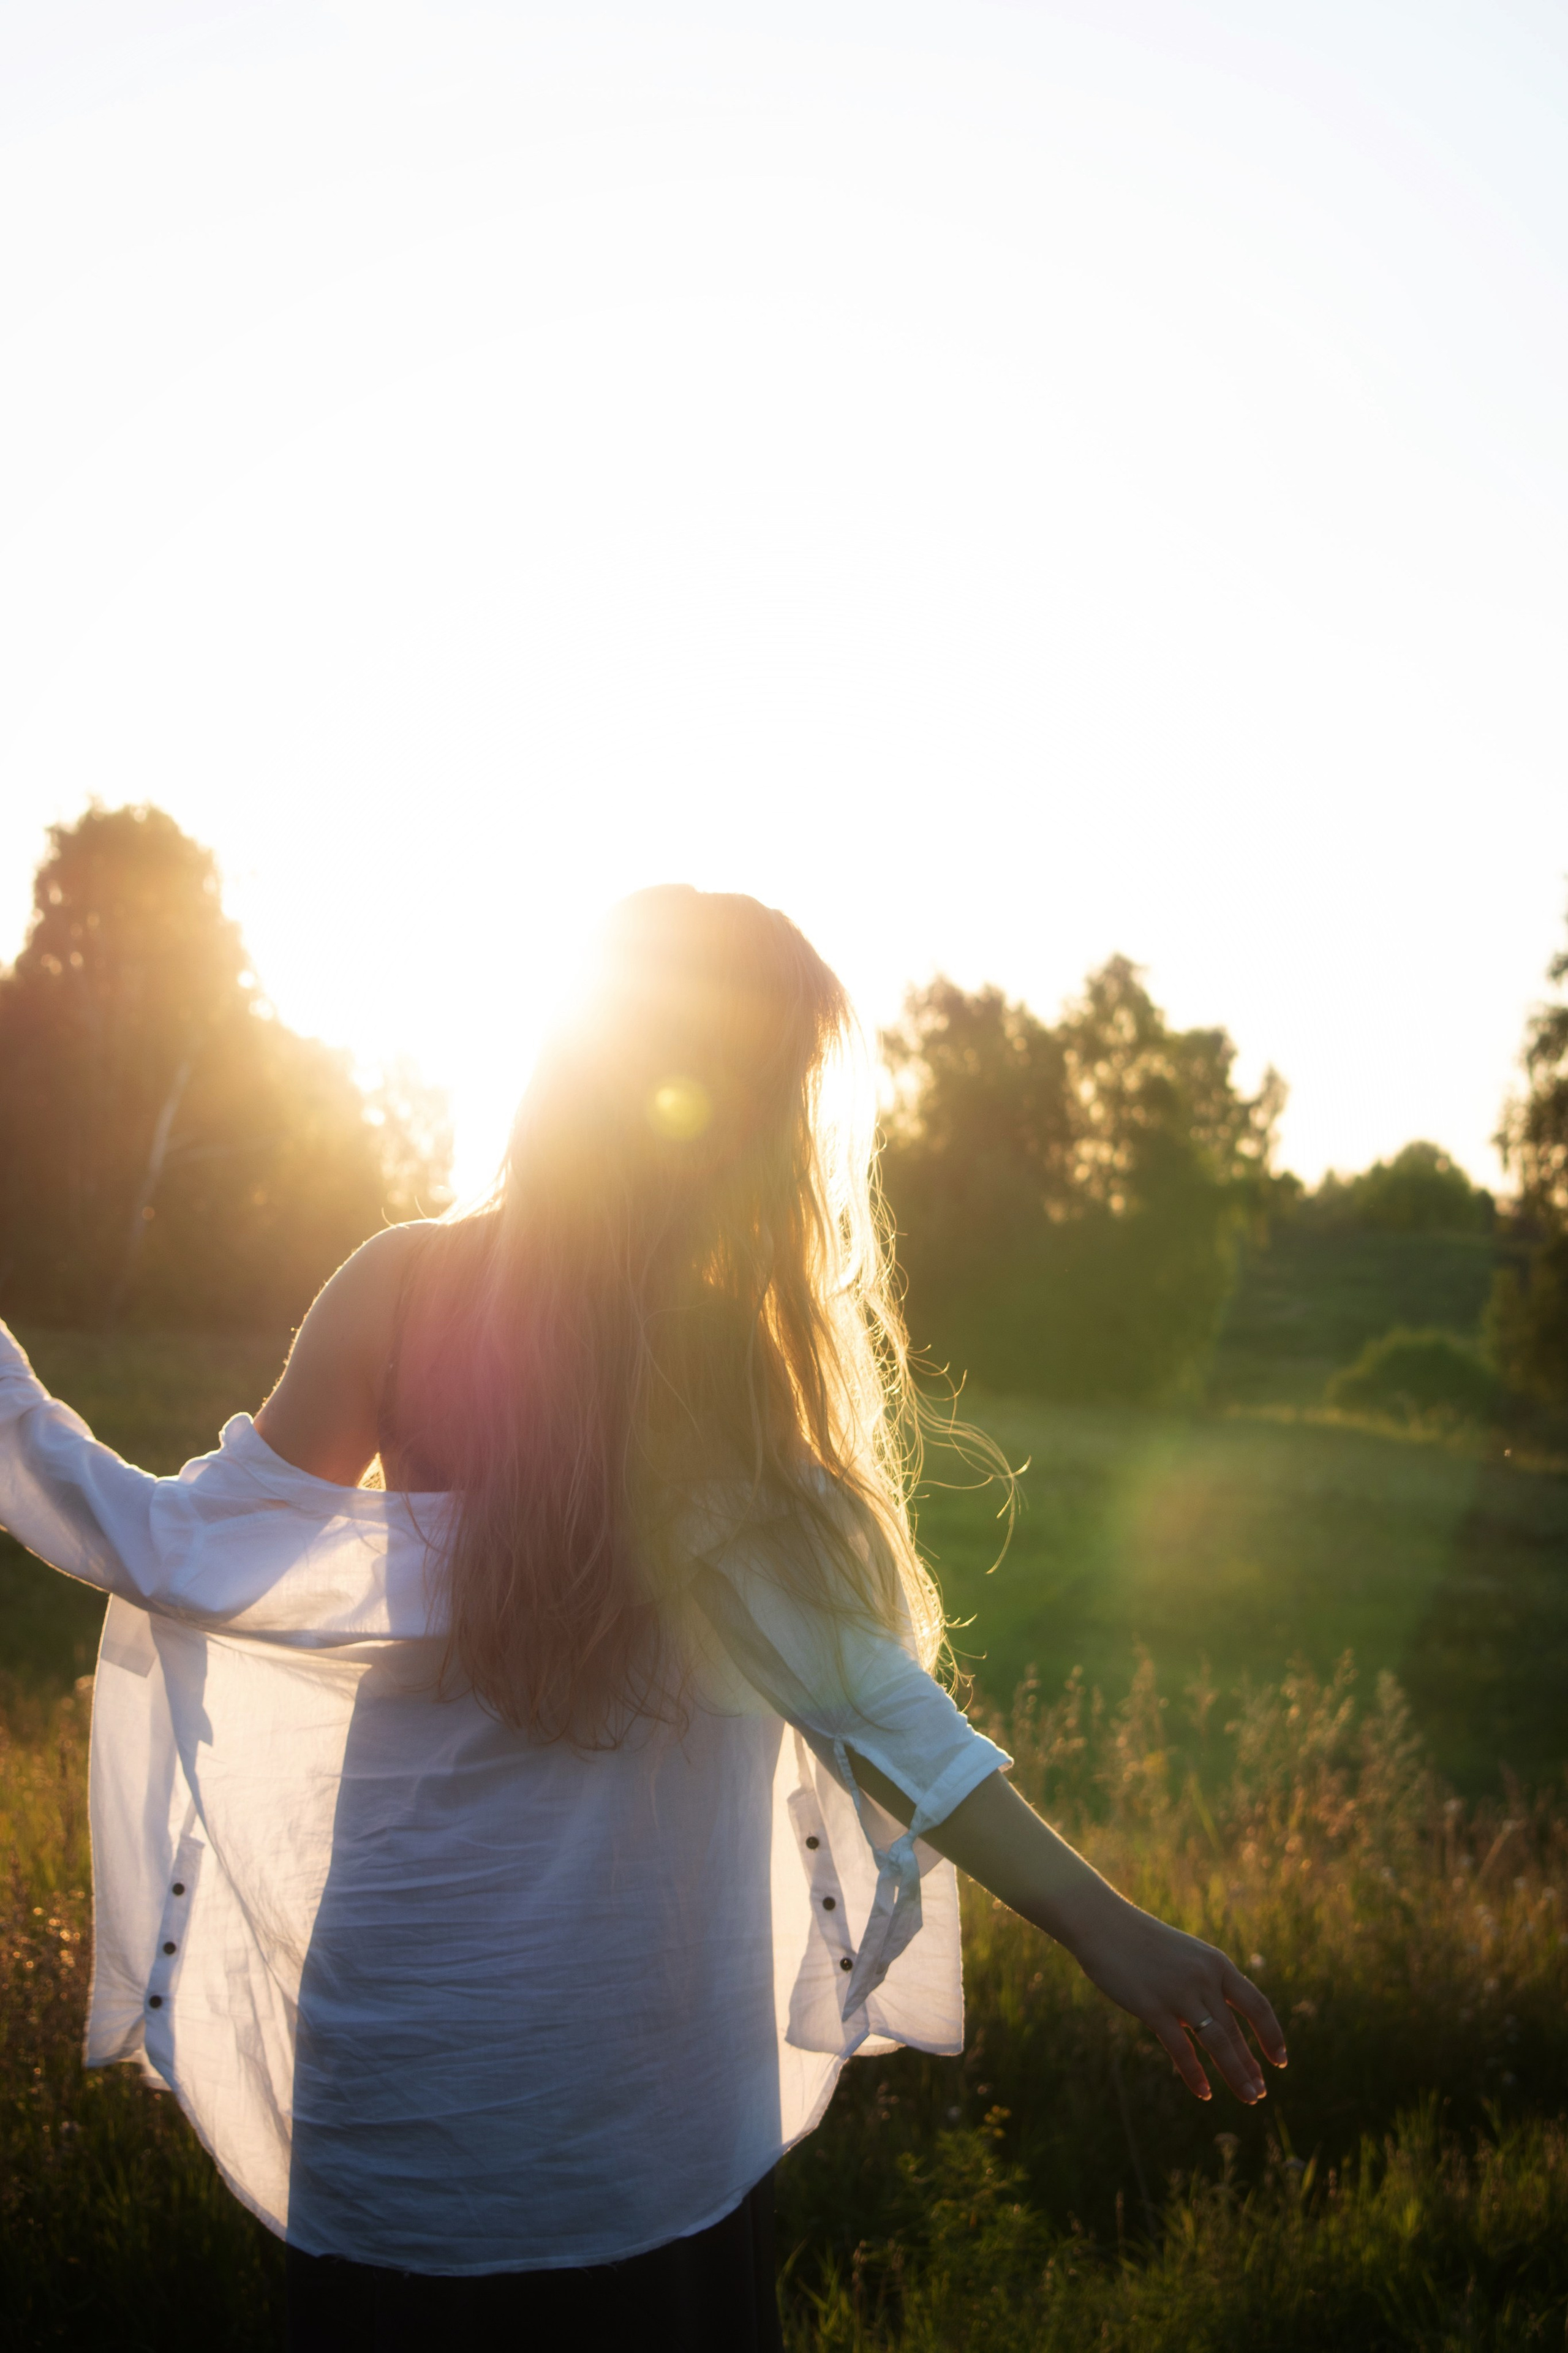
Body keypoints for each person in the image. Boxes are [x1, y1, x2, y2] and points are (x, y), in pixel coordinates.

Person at [0, 886, 1284, 2351]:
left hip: (473, 2055)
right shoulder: (697, 1346)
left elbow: (169, 1546)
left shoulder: (416, 1290)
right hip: (588, 2071)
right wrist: (1099, 1924)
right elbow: (869, 1703)